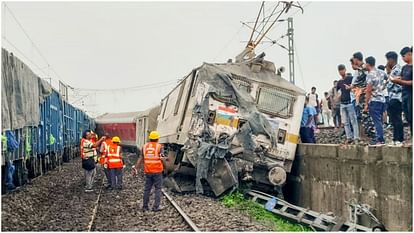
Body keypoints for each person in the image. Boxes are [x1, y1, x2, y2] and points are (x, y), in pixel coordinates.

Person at [133, 131, 165, 212]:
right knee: (158, 188)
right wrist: (166, 167)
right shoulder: (159, 147)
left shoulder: (145, 146)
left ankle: (145, 206)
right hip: (157, 170)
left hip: (148, 171)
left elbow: (141, 158)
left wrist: (136, 168)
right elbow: (162, 158)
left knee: (147, 189)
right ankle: (156, 207)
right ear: (157, 139)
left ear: (150, 138)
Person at [390, 46, 412, 140]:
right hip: (405, 94)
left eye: (403, 56)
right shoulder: (404, 67)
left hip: (411, 94)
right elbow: (402, 78)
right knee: (408, 117)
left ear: (409, 54)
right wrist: (396, 79)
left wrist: (400, 82)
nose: (402, 59)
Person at [364, 56, 386, 145]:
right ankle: (380, 137)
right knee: (379, 120)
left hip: (374, 100)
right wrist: (381, 88)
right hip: (382, 99)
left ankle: (379, 138)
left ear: (368, 64)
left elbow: (368, 90)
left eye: (365, 63)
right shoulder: (381, 72)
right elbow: (387, 79)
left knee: (376, 121)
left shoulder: (370, 75)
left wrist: (366, 104)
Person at [337, 64, 360, 144]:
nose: (341, 71)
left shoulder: (350, 78)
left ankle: (356, 137)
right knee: (345, 122)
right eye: (340, 70)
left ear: (345, 70)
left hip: (350, 102)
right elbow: (338, 91)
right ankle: (349, 137)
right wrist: (338, 96)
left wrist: (351, 88)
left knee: (353, 120)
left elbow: (356, 86)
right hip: (342, 104)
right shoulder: (339, 82)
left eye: (342, 69)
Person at [385, 51, 404, 146]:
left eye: (387, 60)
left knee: (396, 118)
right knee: (394, 118)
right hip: (394, 97)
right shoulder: (395, 70)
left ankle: (399, 139)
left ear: (391, 59)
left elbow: (389, 85)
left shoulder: (396, 70)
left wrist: (388, 73)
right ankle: (396, 138)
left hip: (396, 97)